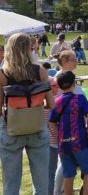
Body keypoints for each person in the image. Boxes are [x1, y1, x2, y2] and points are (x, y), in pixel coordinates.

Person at [0, 33, 55, 195]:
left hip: (11, 130)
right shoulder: (41, 71)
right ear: (29, 48)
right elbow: (51, 104)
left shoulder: (3, 74)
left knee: (11, 185)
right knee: (41, 185)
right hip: (37, 128)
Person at [49, 71, 88, 195]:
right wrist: (87, 127)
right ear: (74, 83)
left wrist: (59, 134)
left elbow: (51, 122)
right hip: (79, 141)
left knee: (68, 174)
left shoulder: (57, 101)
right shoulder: (79, 98)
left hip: (63, 144)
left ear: (59, 86)